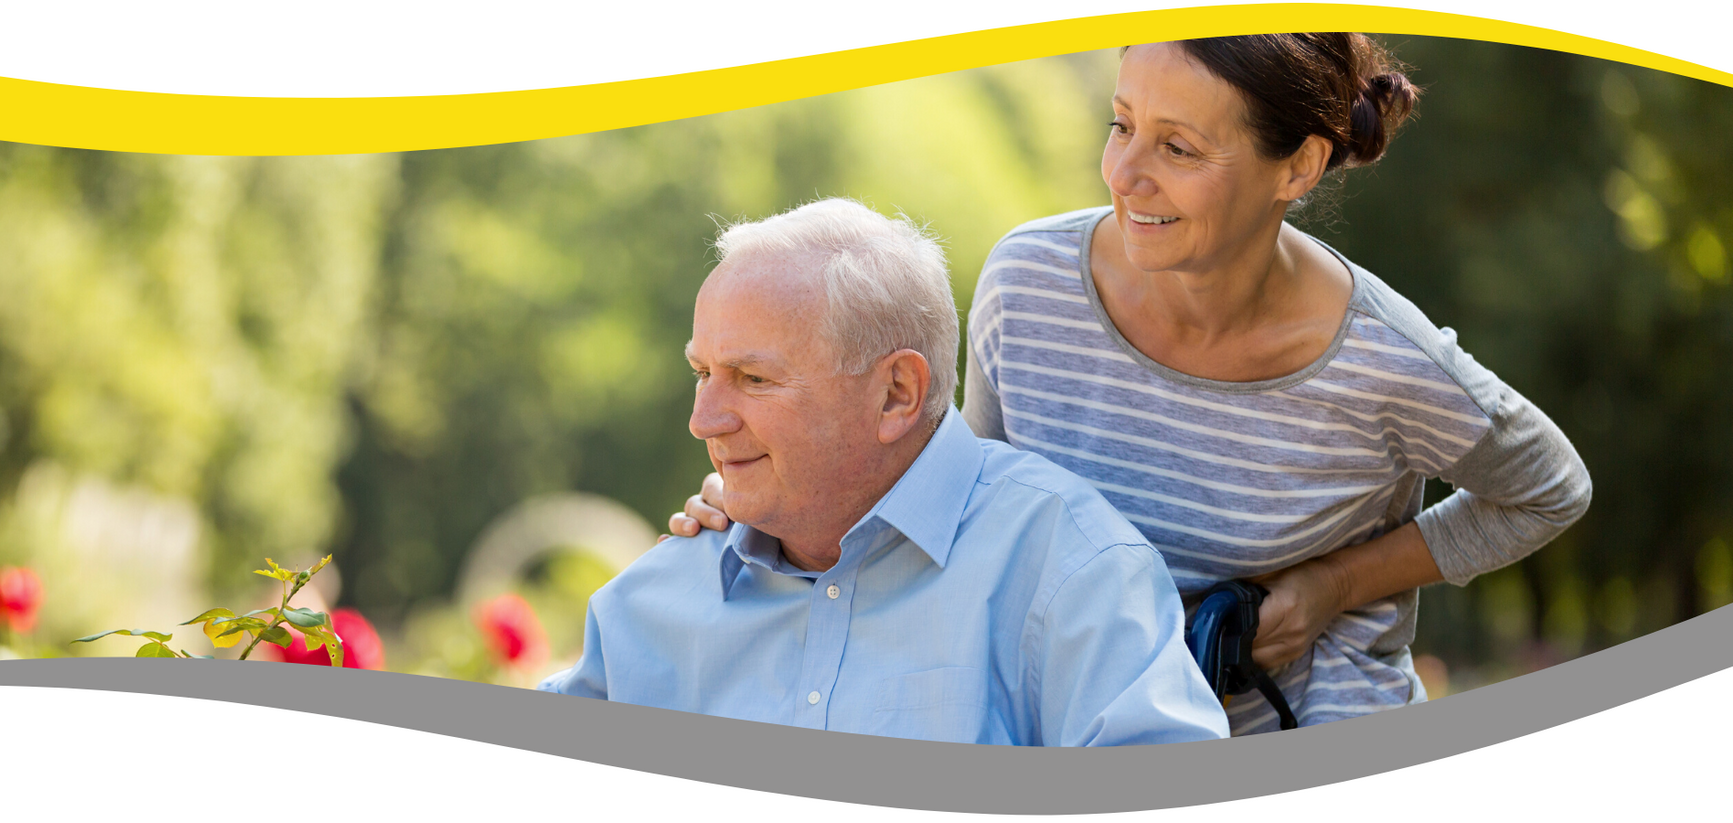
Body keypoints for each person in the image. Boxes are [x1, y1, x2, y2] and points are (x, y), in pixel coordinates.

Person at [669, 35, 1592, 735]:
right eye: (1120, 125)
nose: (1124, 174)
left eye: (1179, 149)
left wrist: (1333, 584)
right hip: (1075, 739)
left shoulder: (1383, 360)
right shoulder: (1028, 284)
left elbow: (1550, 490)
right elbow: (971, 509)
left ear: (1300, 165)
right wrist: (771, 502)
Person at [538, 198, 1229, 746]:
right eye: (702, 374)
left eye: (752, 377)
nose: (705, 419)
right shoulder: (654, 601)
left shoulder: (1071, 572)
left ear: (897, 393)